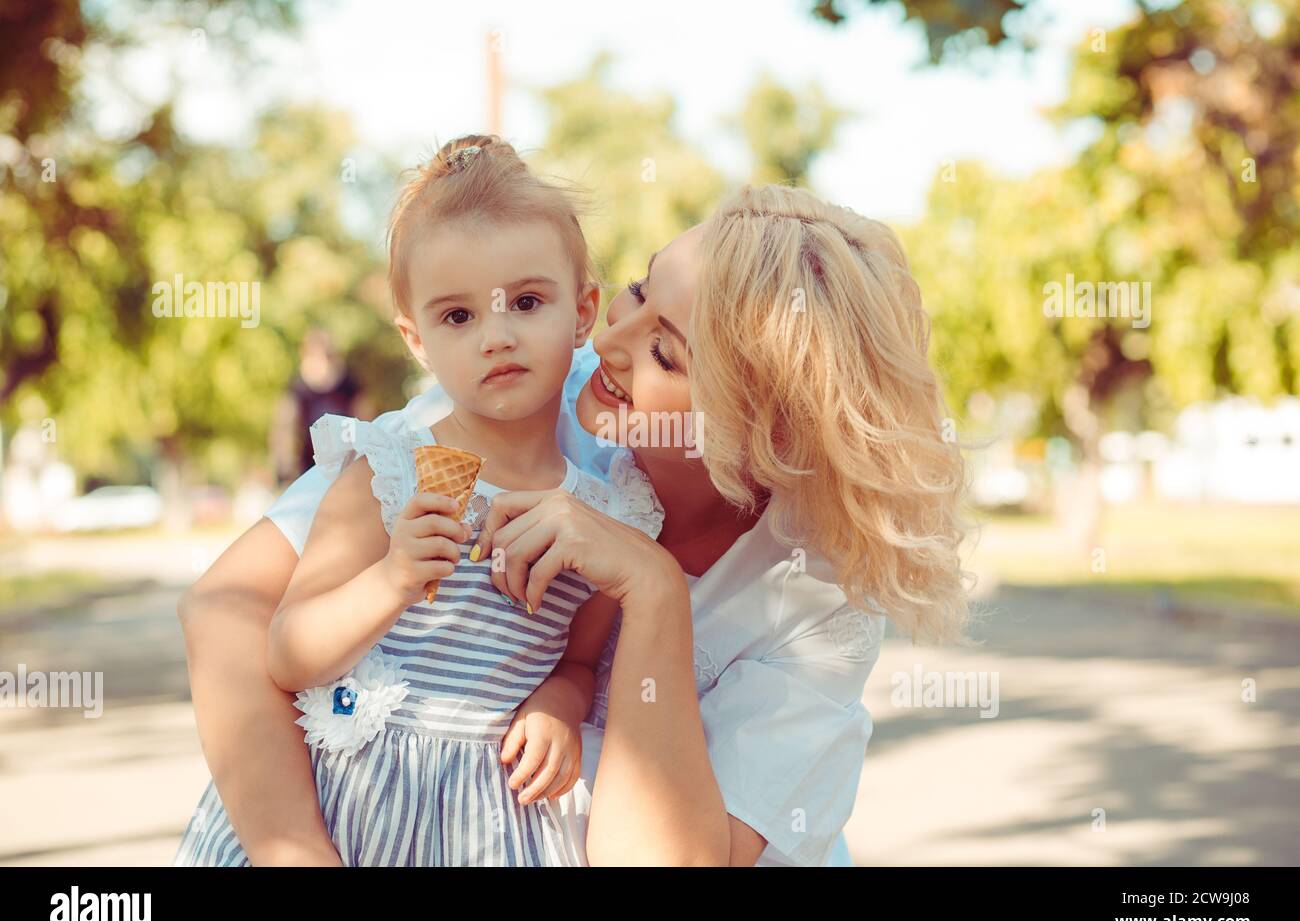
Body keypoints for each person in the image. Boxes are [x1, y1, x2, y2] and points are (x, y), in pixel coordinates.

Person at [176, 172, 973, 866]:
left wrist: (650, 586)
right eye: (637, 291)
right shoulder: (526, 384)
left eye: (667, 353)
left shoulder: (815, 600)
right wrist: (296, 855)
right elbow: (226, 611)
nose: (609, 342)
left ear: (768, 430)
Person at [174, 135, 663, 866]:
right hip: (352, 802)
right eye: (458, 318)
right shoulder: (388, 470)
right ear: (417, 340)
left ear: (584, 310)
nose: (497, 337)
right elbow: (286, 654)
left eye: (527, 302)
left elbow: (580, 662)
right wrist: (390, 580)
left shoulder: (610, 511)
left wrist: (561, 701)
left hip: (488, 821)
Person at [272, 329, 367, 485]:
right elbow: (285, 428)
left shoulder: (349, 385)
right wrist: (285, 464)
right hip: (309, 469)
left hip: (346, 465)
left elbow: (364, 420)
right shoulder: (297, 389)